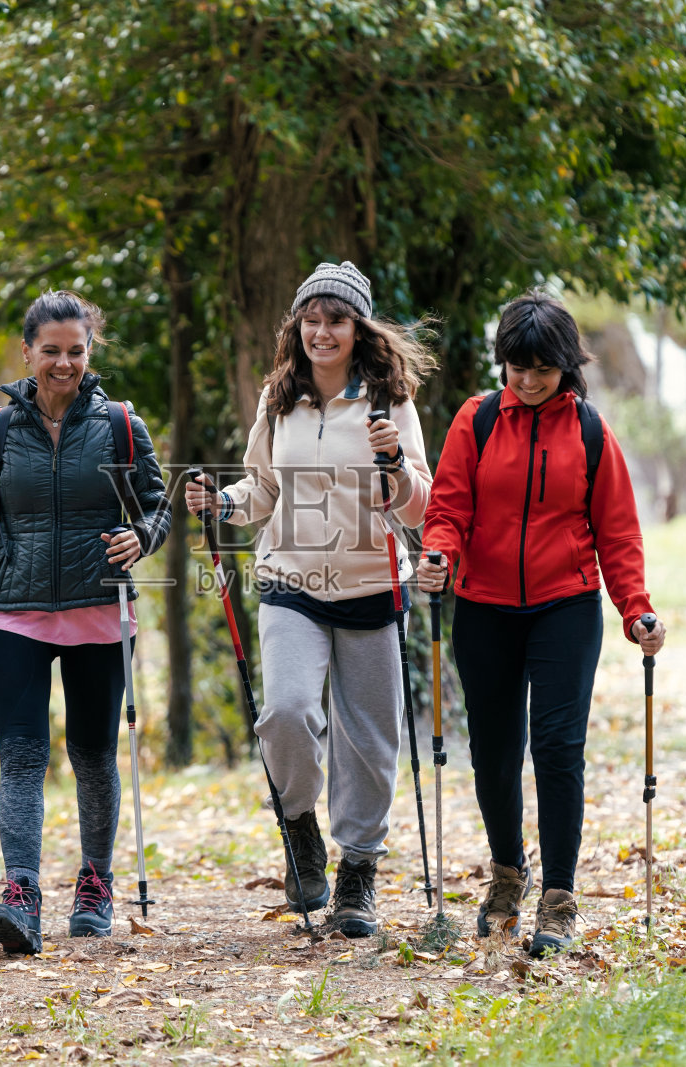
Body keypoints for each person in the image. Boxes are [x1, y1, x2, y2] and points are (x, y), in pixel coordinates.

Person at [186, 261, 435, 937]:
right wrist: (224, 501)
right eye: (312, 319)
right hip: (290, 580)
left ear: (359, 329)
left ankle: (357, 873)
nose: (322, 332)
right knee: (289, 711)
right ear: (297, 324)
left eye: (337, 320)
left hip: (372, 582)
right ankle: (300, 825)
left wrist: (395, 466)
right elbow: (261, 489)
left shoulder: (390, 399)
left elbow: (419, 505)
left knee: (370, 739)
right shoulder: (279, 396)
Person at [417, 290, 667, 957]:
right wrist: (439, 552)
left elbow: (618, 532)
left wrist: (635, 607)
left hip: (565, 604)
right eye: (515, 367)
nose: (526, 381)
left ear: (565, 366)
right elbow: (448, 507)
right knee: (495, 753)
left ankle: (557, 895)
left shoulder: (588, 432)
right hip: (484, 606)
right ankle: (507, 873)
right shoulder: (475, 421)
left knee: (558, 748)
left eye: (541, 369)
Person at [0, 291, 170, 954]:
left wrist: (141, 539)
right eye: (52, 351)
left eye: (76, 350)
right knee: (23, 757)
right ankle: (22, 894)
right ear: (28, 352)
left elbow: (158, 509)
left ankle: (95, 881)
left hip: (99, 612)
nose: (64, 362)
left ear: (88, 351)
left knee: (94, 756)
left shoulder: (122, 424)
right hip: (16, 615)